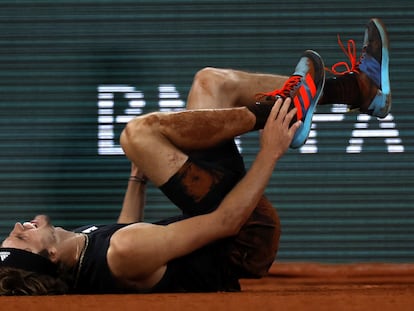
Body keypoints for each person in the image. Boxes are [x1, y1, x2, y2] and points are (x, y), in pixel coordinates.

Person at [0, 18, 390, 295]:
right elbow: (224, 222)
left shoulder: (89, 252)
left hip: (224, 225)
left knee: (211, 82)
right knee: (136, 134)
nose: (20, 225)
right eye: (22, 237)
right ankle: (282, 109)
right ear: (50, 255)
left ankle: (359, 90)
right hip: (243, 239)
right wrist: (270, 151)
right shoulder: (122, 254)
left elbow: (123, 230)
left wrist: (137, 178)